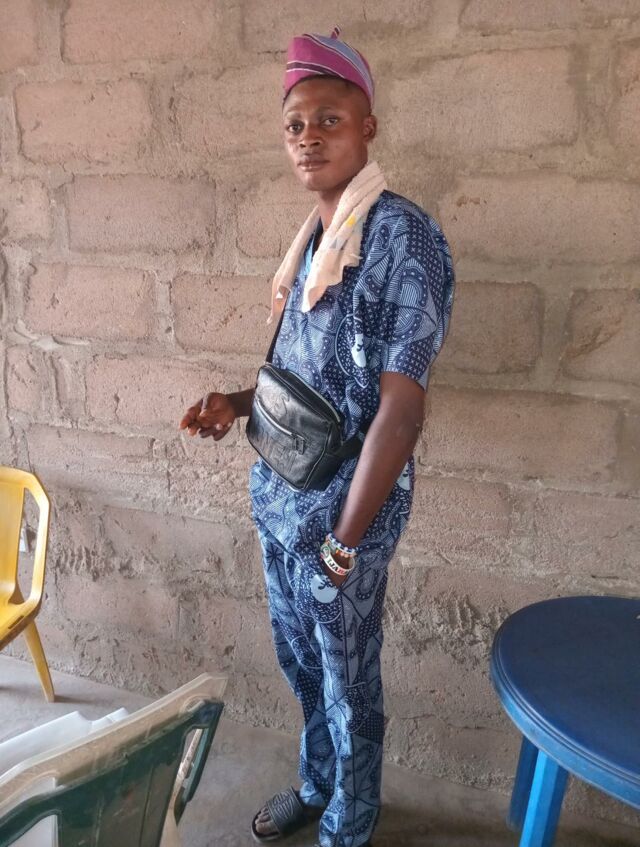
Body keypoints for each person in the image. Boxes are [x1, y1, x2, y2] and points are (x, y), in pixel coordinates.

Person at [179, 28, 455, 847]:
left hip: (345, 519)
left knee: (347, 678)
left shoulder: (402, 238)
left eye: (328, 119)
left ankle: (350, 819)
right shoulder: (312, 241)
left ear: (368, 127)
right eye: (295, 125)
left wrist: (344, 543)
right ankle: (316, 781)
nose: (308, 137)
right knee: (301, 661)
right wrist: (236, 402)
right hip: (282, 499)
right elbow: (306, 377)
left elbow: (399, 411)